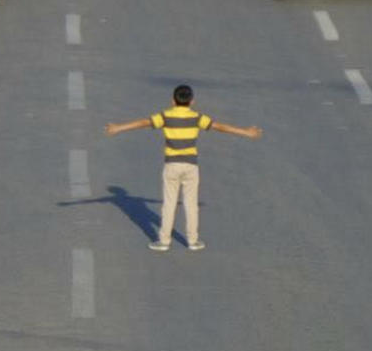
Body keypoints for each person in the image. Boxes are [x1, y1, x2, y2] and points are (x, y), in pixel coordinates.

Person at [104, 84, 262, 252]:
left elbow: (144, 122)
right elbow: (219, 127)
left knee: (169, 203)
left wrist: (118, 128)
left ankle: (164, 242)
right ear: (192, 101)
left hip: (172, 165)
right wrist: (246, 132)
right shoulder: (197, 117)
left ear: (173, 101)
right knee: (191, 204)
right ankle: (193, 241)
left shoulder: (165, 116)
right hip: (190, 165)